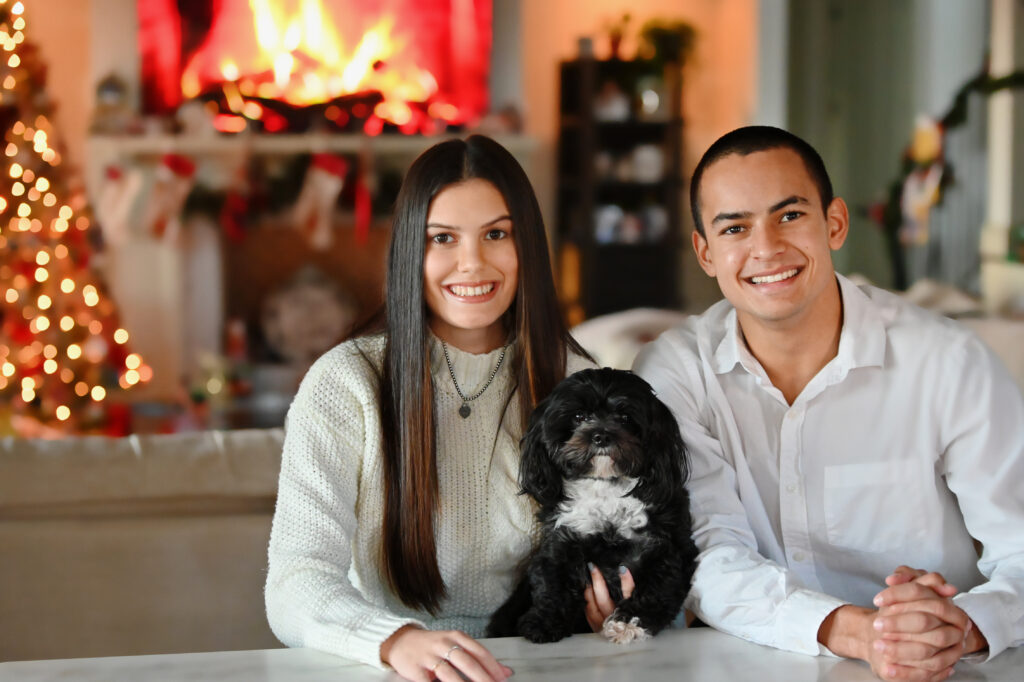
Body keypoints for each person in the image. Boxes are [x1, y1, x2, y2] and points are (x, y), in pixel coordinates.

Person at [632, 126, 1024, 681]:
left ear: (833, 223)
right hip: (753, 667)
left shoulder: (949, 362)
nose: (766, 248)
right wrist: (862, 632)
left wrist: (960, 626)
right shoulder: (675, 374)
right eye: (735, 228)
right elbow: (706, 557)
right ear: (706, 252)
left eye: (789, 216)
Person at [265, 135, 619, 682]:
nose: (471, 264)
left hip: (540, 661)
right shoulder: (345, 382)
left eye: (497, 234)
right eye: (443, 238)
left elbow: (623, 547)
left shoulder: (578, 383)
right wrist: (395, 642)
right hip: (388, 667)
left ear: (527, 245)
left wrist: (614, 606)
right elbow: (294, 581)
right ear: (412, 249)